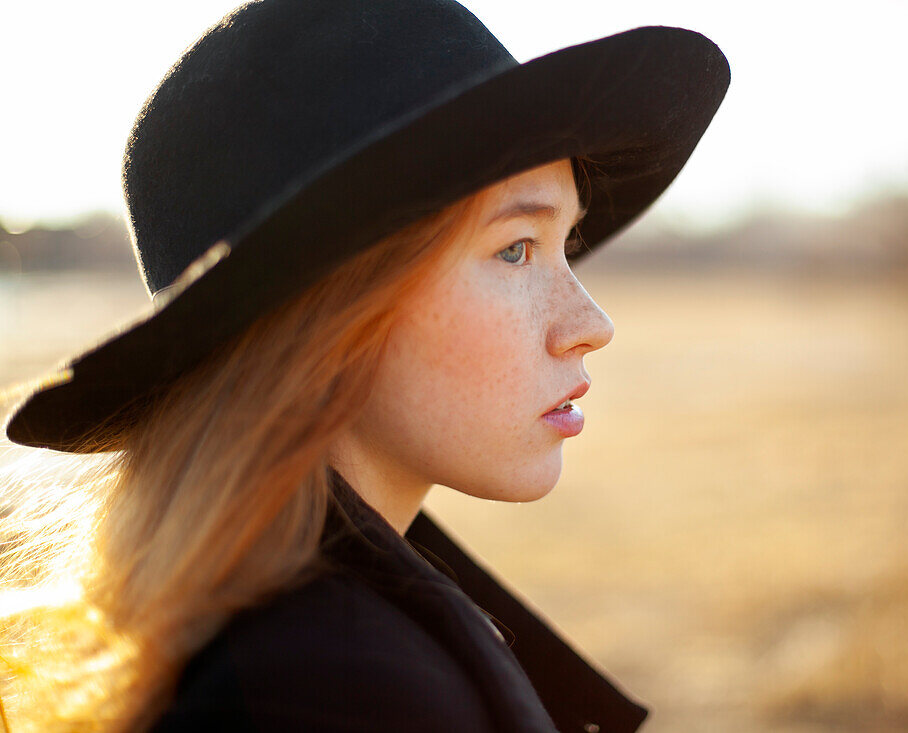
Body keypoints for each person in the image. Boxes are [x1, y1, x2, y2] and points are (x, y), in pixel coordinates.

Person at [0, 0, 728, 730]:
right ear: (329, 312)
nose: (591, 326)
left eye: (563, 244)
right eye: (514, 248)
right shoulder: (341, 689)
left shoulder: (298, 637)